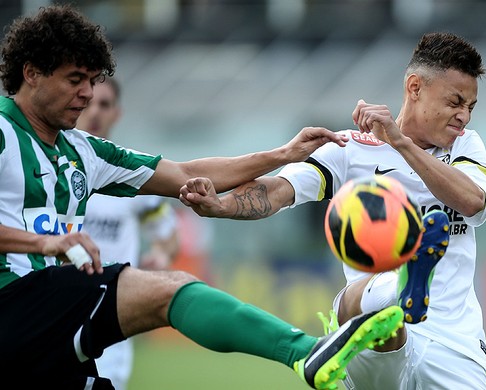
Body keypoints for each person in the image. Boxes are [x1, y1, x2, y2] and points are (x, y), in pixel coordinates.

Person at [0, 5, 405, 389]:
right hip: (13, 302)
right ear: (32, 73)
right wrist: (43, 242)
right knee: (169, 289)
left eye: (92, 80)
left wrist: (283, 154)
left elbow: (186, 173)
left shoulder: (83, 151)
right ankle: (306, 351)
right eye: (75, 79)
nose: (88, 94)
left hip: (46, 328)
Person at [180, 32, 486, 389]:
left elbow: (472, 201)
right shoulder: (351, 149)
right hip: (378, 331)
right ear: (415, 87)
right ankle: (400, 287)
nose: (464, 116)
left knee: (363, 302)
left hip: (456, 344)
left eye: (471, 106)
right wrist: (220, 205)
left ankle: (400, 286)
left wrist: (400, 142)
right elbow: (280, 191)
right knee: (364, 303)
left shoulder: (467, 147)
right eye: (455, 101)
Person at [76, 76, 180, 390]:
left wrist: (160, 254)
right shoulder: (53, 166)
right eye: (89, 102)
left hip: (110, 315)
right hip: (57, 309)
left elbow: (168, 235)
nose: (95, 112)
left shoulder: (133, 175)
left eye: (104, 104)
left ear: (116, 113)